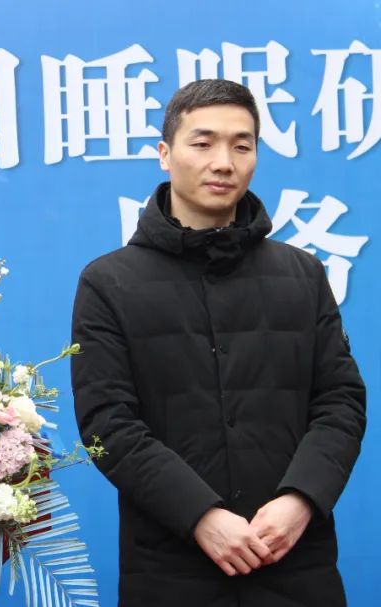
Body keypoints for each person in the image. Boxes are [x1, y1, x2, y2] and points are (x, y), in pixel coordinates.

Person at [70, 79, 366, 607]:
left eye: (242, 145)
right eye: (203, 143)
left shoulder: (301, 274)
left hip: (295, 561)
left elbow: (340, 402)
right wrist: (200, 516)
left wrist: (301, 499)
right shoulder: (109, 282)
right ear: (165, 154)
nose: (224, 163)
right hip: (172, 568)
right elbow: (108, 423)